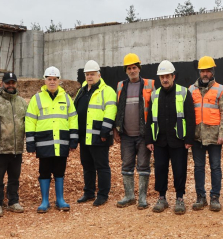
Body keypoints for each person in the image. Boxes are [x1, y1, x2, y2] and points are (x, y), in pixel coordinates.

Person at [25, 66, 78, 213]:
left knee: (60, 171)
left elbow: (73, 119)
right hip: (44, 143)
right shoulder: (37, 99)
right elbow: (30, 120)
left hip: (61, 142)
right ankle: (45, 201)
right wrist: (30, 142)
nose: (52, 82)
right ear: (45, 80)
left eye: (55, 79)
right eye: (49, 79)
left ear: (59, 81)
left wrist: (73, 139)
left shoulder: (66, 98)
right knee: (44, 171)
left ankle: (60, 200)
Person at [145, 60, 195, 215]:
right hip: (159, 140)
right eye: (162, 77)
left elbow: (190, 117)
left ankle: (179, 198)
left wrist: (189, 139)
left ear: (173, 76)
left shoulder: (184, 92)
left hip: (178, 139)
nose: (165, 79)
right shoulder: (155, 95)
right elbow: (149, 118)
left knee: (179, 169)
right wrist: (149, 140)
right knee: (160, 169)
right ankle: (162, 198)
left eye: (167, 76)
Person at [113, 53, 155, 209]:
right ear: (126, 70)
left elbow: (154, 110)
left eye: (134, 68)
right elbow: (117, 109)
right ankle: (129, 196)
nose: (132, 71)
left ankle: (142, 198)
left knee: (143, 166)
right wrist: (116, 130)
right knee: (126, 166)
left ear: (139, 68)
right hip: (126, 135)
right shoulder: (120, 86)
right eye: (129, 68)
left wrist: (152, 134)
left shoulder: (149, 85)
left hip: (143, 135)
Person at [75, 60, 117, 206]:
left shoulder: (107, 91)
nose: (89, 77)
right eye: (87, 74)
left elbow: (110, 111)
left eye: (92, 74)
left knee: (102, 166)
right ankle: (89, 192)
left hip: (99, 136)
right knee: (87, 165)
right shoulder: (82, 90)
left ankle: (103, 195)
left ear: (99, 75)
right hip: (84, 136)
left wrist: (105, 132)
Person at [189, 56, 223, 211]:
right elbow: (187, 114)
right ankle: (200, 197)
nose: (205, 74)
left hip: (214, 136)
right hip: (197, 136)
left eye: (208, 71)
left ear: (213, 72)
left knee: (215, 167)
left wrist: (222, 134)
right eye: (202, 71)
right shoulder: (191, 90)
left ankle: (215, 197)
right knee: (198, 167)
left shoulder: (221, 89)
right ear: (199, 72)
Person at [0, 72, 27, 217]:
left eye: (13, 83)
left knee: (14, 178)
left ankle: (13, 201)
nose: (10, 85)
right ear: (2, 84)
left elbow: (27, 123)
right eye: (7, 83)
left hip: (16, 148)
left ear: (16, 84)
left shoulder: (22, 102)